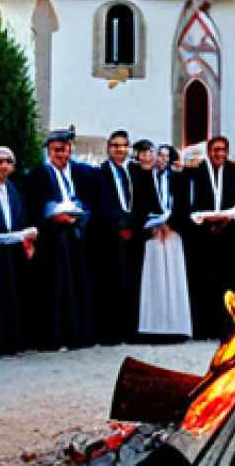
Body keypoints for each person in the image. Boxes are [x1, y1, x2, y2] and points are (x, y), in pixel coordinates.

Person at [25, 128, 95, 350]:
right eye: (56, 150)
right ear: (48, 151)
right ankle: (53, 335)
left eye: (64, 150)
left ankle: (75, 333)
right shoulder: (39, 174)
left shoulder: (78, 173)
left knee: (75, 285)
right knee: (55, 287)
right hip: (51, 239)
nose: (61, 155)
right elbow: (34, 206)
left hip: (74, 234)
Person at [184, 135, 235, 339]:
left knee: (228, 282)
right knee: (204, 280)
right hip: (203, 235)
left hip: (229, 235)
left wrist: (227, 217)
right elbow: (191, 204)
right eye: (216, 150)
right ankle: (205, 327)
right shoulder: (196, 173)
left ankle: (227, 327)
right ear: (209, 151)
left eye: (223, 150)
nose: (219, 154)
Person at [0, 146, 36, 357]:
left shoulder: (13, 188)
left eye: (8, 162)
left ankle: (11, 341)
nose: (3, 167)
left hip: (12, 249)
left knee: (11, 295)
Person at [133, 140, 191, 338]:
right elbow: (139, 206)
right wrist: (153, 225)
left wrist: (171, 224)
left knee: (174, 278)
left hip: (172, 231)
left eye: (167, 154)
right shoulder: (144, 178)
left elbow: (183, 205)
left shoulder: (178, 178)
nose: (163, 158)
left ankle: (176, 325)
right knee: (154, 276)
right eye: (159, 154)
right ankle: (153, 326)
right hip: (152, 232)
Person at [90, 130, 143, 344]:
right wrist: (119, 222)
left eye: (124, 146)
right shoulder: (100, 173)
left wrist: (133, 224)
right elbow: (101, 203)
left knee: (132, 282)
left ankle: (130, 329)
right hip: (109, 234)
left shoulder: (135, 172)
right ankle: (110, 331)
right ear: (108, 148)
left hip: (134, 233)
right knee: (112, 282)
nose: (120, 150)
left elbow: (141, 202)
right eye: (115, 146)